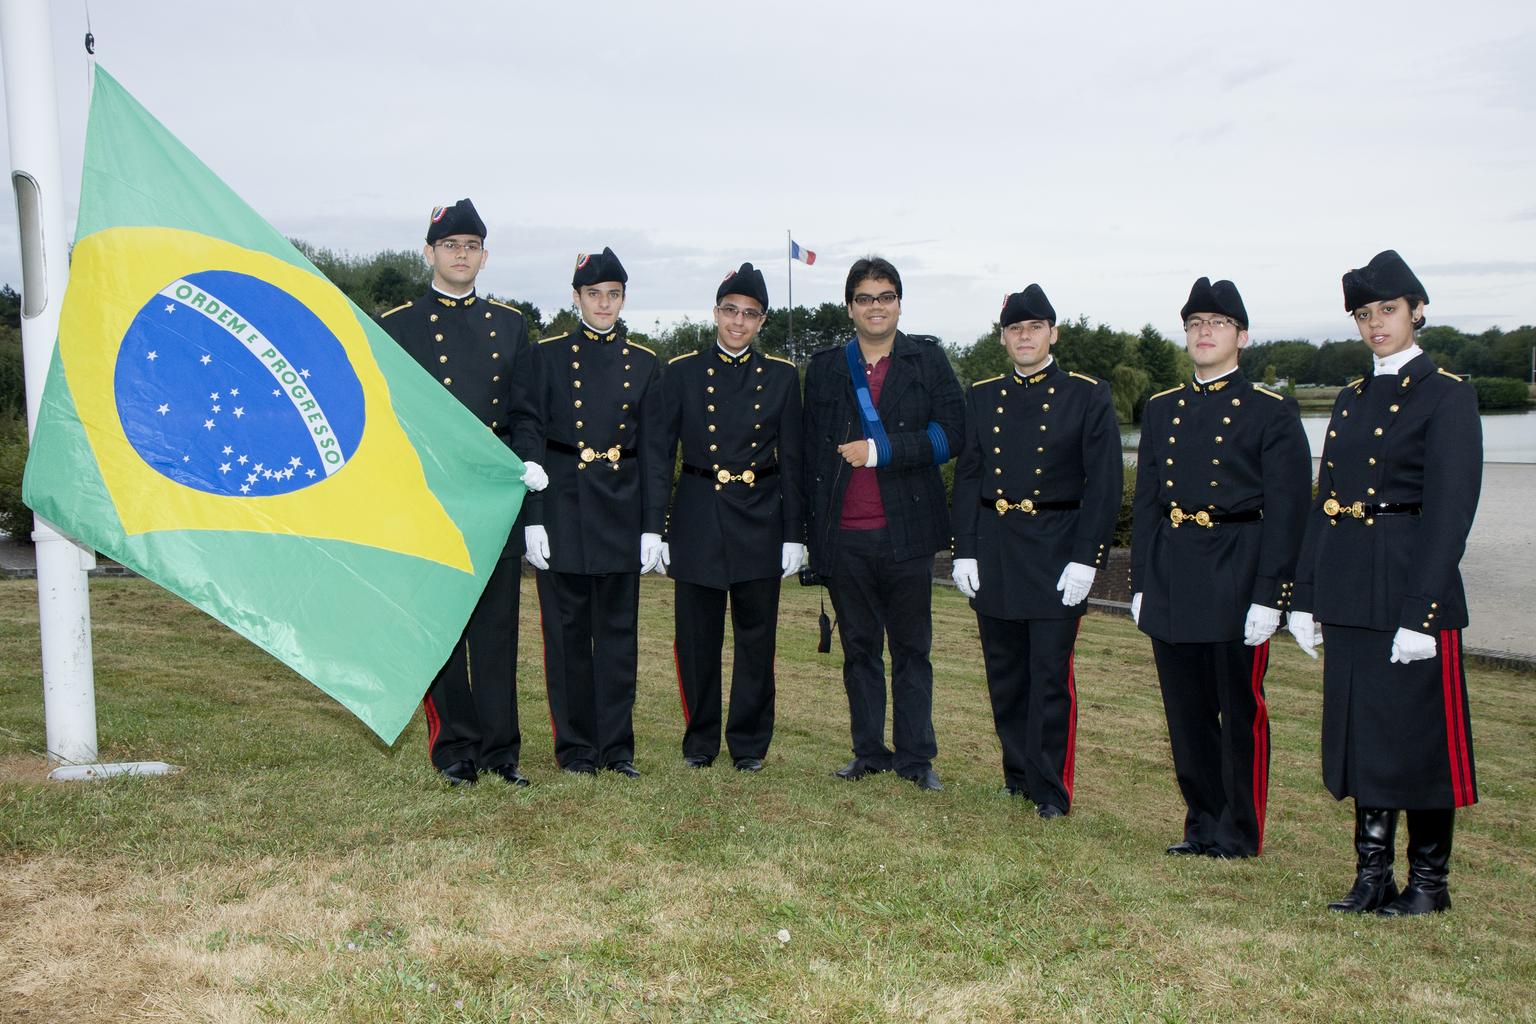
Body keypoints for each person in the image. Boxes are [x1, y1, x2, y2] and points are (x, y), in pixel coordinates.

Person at [1287, 250, 1481, 916]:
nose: (1376, 326)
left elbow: (1450, 513)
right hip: (1349, 587)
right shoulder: (1350, 396)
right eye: (1365, 315)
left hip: (1408, 587)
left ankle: (1429, 884)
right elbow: (1327, 500)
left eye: (1388, 312)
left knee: (1421, 738)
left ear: (1417, 310)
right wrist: (1304, 598)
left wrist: (1421, 613)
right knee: (1363, 734)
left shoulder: (1447, 395)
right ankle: (1373, 875)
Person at [1130, 277, 1310, 857]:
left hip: (1237, 565)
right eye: (1195, 324)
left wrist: (1272, 593)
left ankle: (1238, 830)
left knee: (1238, 708)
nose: (1205, 333)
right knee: (1184, 711)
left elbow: (1288, 509)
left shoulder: (1271, 410)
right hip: (1175, 569)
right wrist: (1140, 581)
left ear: (1243, 335)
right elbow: (1148, 501)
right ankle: (1201, 822)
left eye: (1218, 324)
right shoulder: (1162, 409)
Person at [379, 198, 547, 787]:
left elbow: (525, 412)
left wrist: (529, 465)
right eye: (450, 245)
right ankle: (455, 748)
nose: (461, 255)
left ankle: (503, 752)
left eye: (472, 246)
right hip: (431, 496)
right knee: (442, 626)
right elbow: (387, 418)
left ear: (484, 255)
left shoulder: (509, 324)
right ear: (429, 252)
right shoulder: (397, 326)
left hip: (491, 497)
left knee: (497, 630)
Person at [950, 284, 1121, 818]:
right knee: (1005, 673)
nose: (1024, 337)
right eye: (1014, 329)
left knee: (1049, 676)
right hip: (998, 547)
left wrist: (1086, 557)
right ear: (1003, 337)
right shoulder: (982, 395)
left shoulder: (1087, 394)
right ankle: (1017, 775)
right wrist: (965, 549)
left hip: (1055, 549)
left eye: (1034, 328)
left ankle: (1050, 787)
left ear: (1053, 333)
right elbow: (970, 476)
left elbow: (1105, 484)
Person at [802, 256, 965, 791]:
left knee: (913, 650)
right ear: (850, 306)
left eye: (886, 296)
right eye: (866, 298)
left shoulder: (928, 360)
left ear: (900, 302)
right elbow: (809, 455)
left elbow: (950, 437)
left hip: (908, 534)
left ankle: (916, 758)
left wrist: (883, 450)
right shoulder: (827, 366)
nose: (877, 307)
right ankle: (868, 752)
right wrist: (808, 536)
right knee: (860, 649)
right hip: (844, 535)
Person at [523, 247, 668, 777]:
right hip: (563, 505)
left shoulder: (647, 363)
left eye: (613, 295)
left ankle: (617, 749)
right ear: (576, 297)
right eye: (593, 295)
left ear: (623, 298)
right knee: (566, 637)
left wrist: (655, 525)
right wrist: (533, 516)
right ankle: (576, 749)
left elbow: (655, 453)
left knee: (617, 637)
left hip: (621, 510)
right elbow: (532, 437)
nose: (603, 304)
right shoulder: (547, 356)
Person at [659, 263, 804, 772]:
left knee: (756, 639)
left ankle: (748, 744)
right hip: (699, 513)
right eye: (730, 310)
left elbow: (795, 460)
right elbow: (659, 455)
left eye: (750, 314)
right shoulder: (681, 371)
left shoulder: (783, 377)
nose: (738, 322)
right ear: (715, 312)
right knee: (696, 639)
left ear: (762, 321)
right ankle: (700, 741)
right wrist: (656, 528)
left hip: (760, 517)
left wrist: (794, 535)